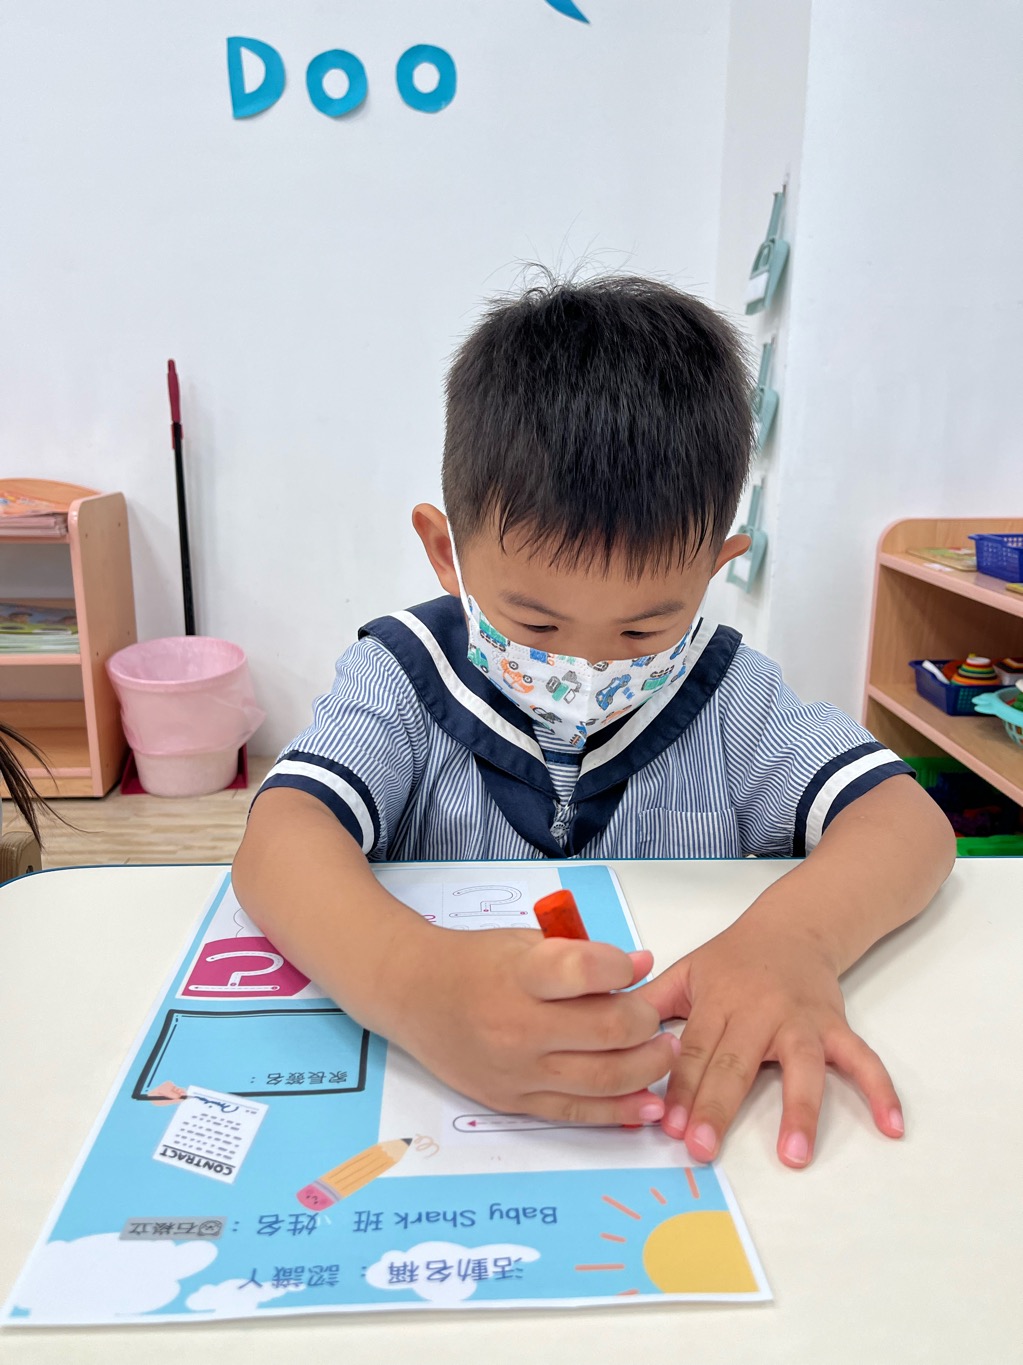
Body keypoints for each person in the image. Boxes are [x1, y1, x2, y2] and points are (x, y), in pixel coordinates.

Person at [233, 275, 954, 1169]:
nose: (586, 667)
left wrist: (793, 940)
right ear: (445, 551)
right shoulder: (402, 675)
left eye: (644, 628)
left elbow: (906, 822)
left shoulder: (731, 692)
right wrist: (412, 984)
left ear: (716, 568)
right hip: (434, 1117)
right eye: (535, 625)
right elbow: (278, 839)